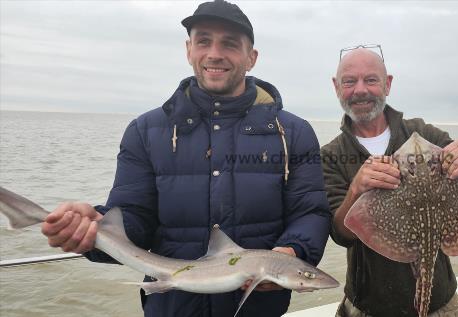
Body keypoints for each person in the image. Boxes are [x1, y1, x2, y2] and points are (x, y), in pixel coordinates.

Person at [39, 1, 331, 316]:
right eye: (203, 41)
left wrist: (293, 252)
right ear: (188, 50)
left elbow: (311, 212)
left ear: (252, 57)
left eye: (230, 44)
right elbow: (135, 221)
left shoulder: (294, 133)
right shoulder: (144, 131)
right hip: (172, 307)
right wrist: (93, 232)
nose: (215, 53)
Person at [321, 46, 458, 317]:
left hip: (441, 304)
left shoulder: (424, 133)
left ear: (388, 84)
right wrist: (356, 189)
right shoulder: (331, 155)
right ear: (337, 87)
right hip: (368, 306)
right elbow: (340, 234)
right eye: (350, 81)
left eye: (371, 80)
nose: (360, 89)